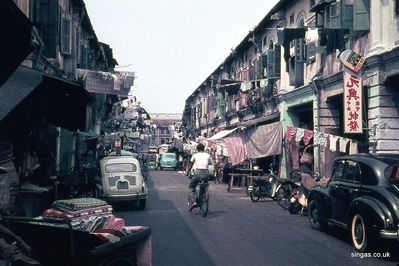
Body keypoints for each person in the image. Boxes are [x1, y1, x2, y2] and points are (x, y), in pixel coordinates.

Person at [185, 144, 212, 209]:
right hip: (206, 173)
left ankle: (193, 202)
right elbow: (210, 163)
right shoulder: (208, 155)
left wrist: (187, 172)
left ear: (197, 149)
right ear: (204, 149)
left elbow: (191, 164)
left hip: (198, 173)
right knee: (203, 187)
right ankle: (200, 201)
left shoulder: (195, 155)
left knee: (191, 187)